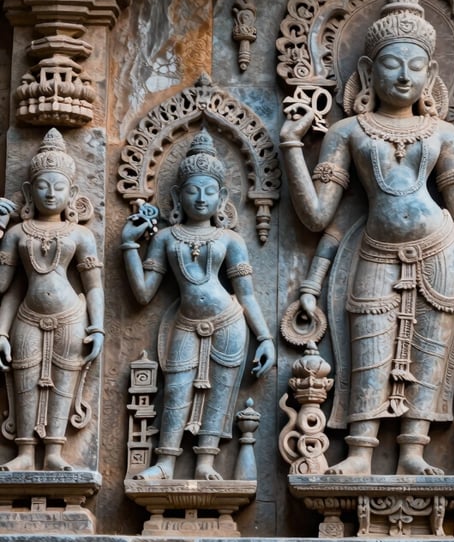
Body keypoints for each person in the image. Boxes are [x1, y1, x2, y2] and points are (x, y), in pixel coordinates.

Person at [280, 0, 454, 475]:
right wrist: (291, 145)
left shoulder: (446, 133)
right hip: (375, 253)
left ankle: (412, 450)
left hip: (441, 251)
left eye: (415, 66)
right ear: (367, 69)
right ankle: (360, 451)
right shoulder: (347, 131)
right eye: (391, 63)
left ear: (432, 73)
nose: (404, 76)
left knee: (429, 355)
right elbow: (318, 215)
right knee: (368, 349)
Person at [121, 131, 275, 481]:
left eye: (209, 192)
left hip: (229, 321)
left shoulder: (230, 240)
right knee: (175, 388)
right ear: (177, 195)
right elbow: (143, 294)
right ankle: (166, 463)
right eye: (192, 190)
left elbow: (246, 294)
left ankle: (206, 460)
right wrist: (129, 247)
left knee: (221, 391)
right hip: (186, 323)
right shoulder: (165, 238)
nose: (201, 198)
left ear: (222, 197)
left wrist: (265, 338)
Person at [0, 128, 103, 472]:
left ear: (72, 193)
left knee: (64, 381)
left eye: (58, 187)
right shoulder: (17, 233)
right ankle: (25, 453)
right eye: (43, 185)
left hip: (71, 318)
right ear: (29, 190)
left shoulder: (80, 234)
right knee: (24, 379)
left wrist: (98, 327)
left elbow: (93, 286)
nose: (50, 193)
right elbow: (6, 286)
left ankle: (55, 451)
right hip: (27, 317)